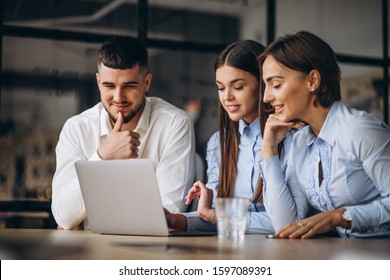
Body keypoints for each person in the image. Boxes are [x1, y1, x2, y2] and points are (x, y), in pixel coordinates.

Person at [52, 36, 196, 230]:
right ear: (98, 82)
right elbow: (64, 216)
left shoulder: (175, 123)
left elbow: (167, 215)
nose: (118, 98)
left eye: (129, 86)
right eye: (109, 86)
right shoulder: (76, 128)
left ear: (146, 83)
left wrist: (86, 218)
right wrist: (103, 157)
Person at [259, 31, 390, 238]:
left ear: (312, 81)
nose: (266, 97)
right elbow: (285, 224)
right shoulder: (300, 141)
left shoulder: (360, 130)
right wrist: (269, 149)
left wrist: (339, 216)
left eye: (276, 85)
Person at [165, 40, 295, 233]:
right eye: (221, 87)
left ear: (263, 85)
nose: (227, 97)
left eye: (238, 87)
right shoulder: (219, 143)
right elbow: (213, 216)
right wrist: (175, 220)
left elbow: (288, 223)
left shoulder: (293, 139)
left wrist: (222, 216)